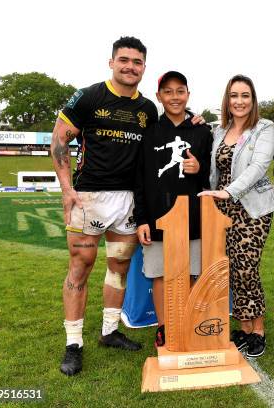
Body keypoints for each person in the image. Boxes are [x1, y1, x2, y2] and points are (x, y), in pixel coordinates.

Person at [51, 37, 159, 376]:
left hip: (128, 199)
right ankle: (73, 343)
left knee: (119, 267)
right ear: (111, 62)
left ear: (144, 66)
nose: (130, 66)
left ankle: (110, 332)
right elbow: (59, 139)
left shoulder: (147, 110)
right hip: (90, 197)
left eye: (137, 61)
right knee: (81, 265)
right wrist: (67, 189)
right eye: (124, 60)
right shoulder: (89, 95)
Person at [199, 75, 274, 358]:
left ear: (253, 100)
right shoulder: (219, 130)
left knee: (247, 267)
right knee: (232, 268)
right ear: (227, 100)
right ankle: (244, 328)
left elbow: (259, 166)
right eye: (234, 95)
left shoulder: (264, 128)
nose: (239, 101)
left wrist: (229, 192)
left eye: (245, 95)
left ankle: (258, 330)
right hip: (223, 209)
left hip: (252, 207)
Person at [133, 71, 212, 348]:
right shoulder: (150, 131)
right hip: (157, 218)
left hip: (192, 217)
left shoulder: (203, 131)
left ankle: (187, 323)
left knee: (191, 274)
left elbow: (211, 181)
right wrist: (141, 219)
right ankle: (165, 327)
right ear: (159, 96)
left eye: (180, 91)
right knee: (160, 274)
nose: (175, 97)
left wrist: (199, 169)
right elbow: (140, 179)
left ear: (188, 94)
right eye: (168, 91)